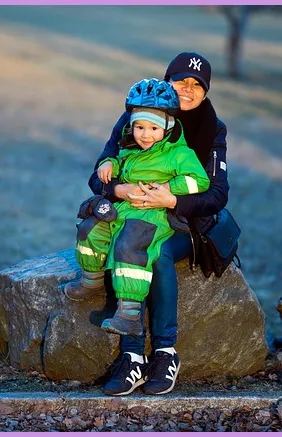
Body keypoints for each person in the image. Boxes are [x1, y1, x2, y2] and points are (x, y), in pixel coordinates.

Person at [87, 52, 230, 396]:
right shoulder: (137, 116)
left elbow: (217, 194)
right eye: (181, 81)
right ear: (167, 81)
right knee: (125, 241)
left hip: (185, 222)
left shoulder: (213, 128)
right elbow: (99, 174)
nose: (188, 89)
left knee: (156, 253)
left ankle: (166, 352)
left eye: (197, 85)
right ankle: (132, 358)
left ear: (206, 92)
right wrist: (117, 189)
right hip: (136, 211)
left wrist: (172, 200)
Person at [63, 78, 210, 340]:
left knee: (128, 246)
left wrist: (168, 187)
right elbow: (118, 163)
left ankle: (129, 314)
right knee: (91, 228)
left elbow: (199, 180)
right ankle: (91, 279)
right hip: (125, 208)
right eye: (139, 127)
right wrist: (109, 163)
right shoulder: (130, 147)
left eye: (153, 128)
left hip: (153, 214)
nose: (145, 135)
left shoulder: (179, 154)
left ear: (168, 127)